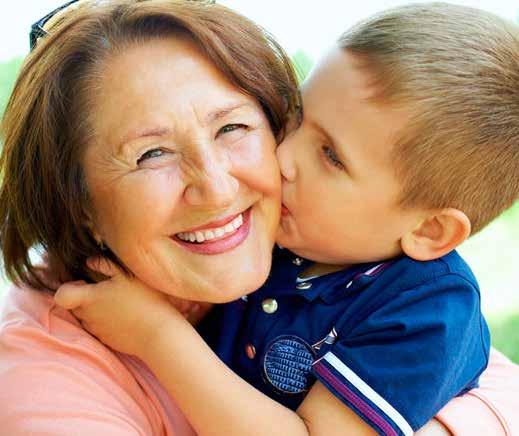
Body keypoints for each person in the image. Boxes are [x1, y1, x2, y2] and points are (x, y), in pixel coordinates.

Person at [54, 3, 519, 436]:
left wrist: (157, 335)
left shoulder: (427, 312)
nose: (283, 156)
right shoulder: (293, 240)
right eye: (295, 117)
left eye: (331, 156)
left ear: (428, 231)